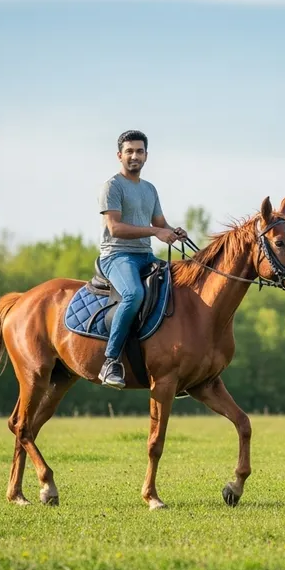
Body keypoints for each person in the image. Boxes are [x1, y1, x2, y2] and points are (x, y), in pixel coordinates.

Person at [96, 130, 187, 389]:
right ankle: (110, 361)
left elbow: (159, 224)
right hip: (117, 255)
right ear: (119, 156)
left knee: (180, 287)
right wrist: (156, 231)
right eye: (129, 151)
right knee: (133, 294)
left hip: (145, 255)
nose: (134, 156)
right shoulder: (112, 186)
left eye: (139, 151)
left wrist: (172, 232)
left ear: (146, 156)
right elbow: (115, 228)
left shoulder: (149, 189)